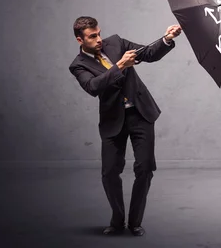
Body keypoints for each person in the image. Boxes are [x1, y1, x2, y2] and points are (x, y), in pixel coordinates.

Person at [68, 16, 182, 236]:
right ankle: (117, 220)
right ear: (79, 40)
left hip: (141, 113)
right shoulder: (78, 65)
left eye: (99, 33)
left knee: (145, 167)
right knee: (110, 172)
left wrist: (167, 38)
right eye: (92, 36)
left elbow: (148, 53)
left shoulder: (116, 42)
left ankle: (135, 222)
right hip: (113, 120)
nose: (99, 39)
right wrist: (120, 65)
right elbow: (93, 87)